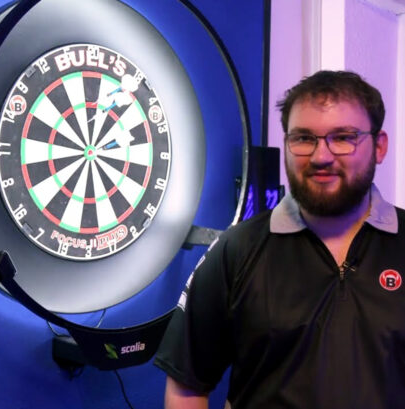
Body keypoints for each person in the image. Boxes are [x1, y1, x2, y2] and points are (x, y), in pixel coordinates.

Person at [154, 70, 405, 409]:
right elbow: (187, 387)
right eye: (303, 138)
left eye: (343, 137)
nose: (321, 156)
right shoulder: (236, 250)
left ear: (379, 146)